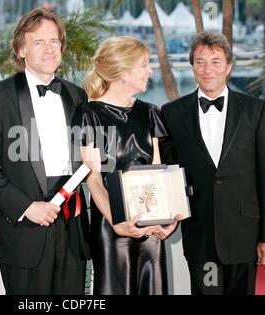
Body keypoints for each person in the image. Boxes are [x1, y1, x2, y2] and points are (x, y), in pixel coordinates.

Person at [0, 8, 90, 295]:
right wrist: (27, 208)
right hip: (24, 229)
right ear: (21, 49)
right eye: (38, 42)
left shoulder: (77, 95)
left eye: (54, 41)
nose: (49, 49)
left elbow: (90, 159)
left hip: (71, 224)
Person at [161, 31, 265, 295]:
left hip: (245, 233)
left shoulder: (256, 109)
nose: (208, 69)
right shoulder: (172, 113)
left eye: (216, 61)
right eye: (200, 61)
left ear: (229, 66)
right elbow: (169, 174)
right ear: (192, 66)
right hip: (200, 232)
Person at [72, 36, 178, 295]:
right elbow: (93, 177)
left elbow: (157, 172)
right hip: (111, 227)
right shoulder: (89, 114)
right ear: (122, 71)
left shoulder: (151, 112)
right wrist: (118, 222)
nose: (149, 70)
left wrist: (168, 219)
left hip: (150, 227)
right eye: (143, 64)